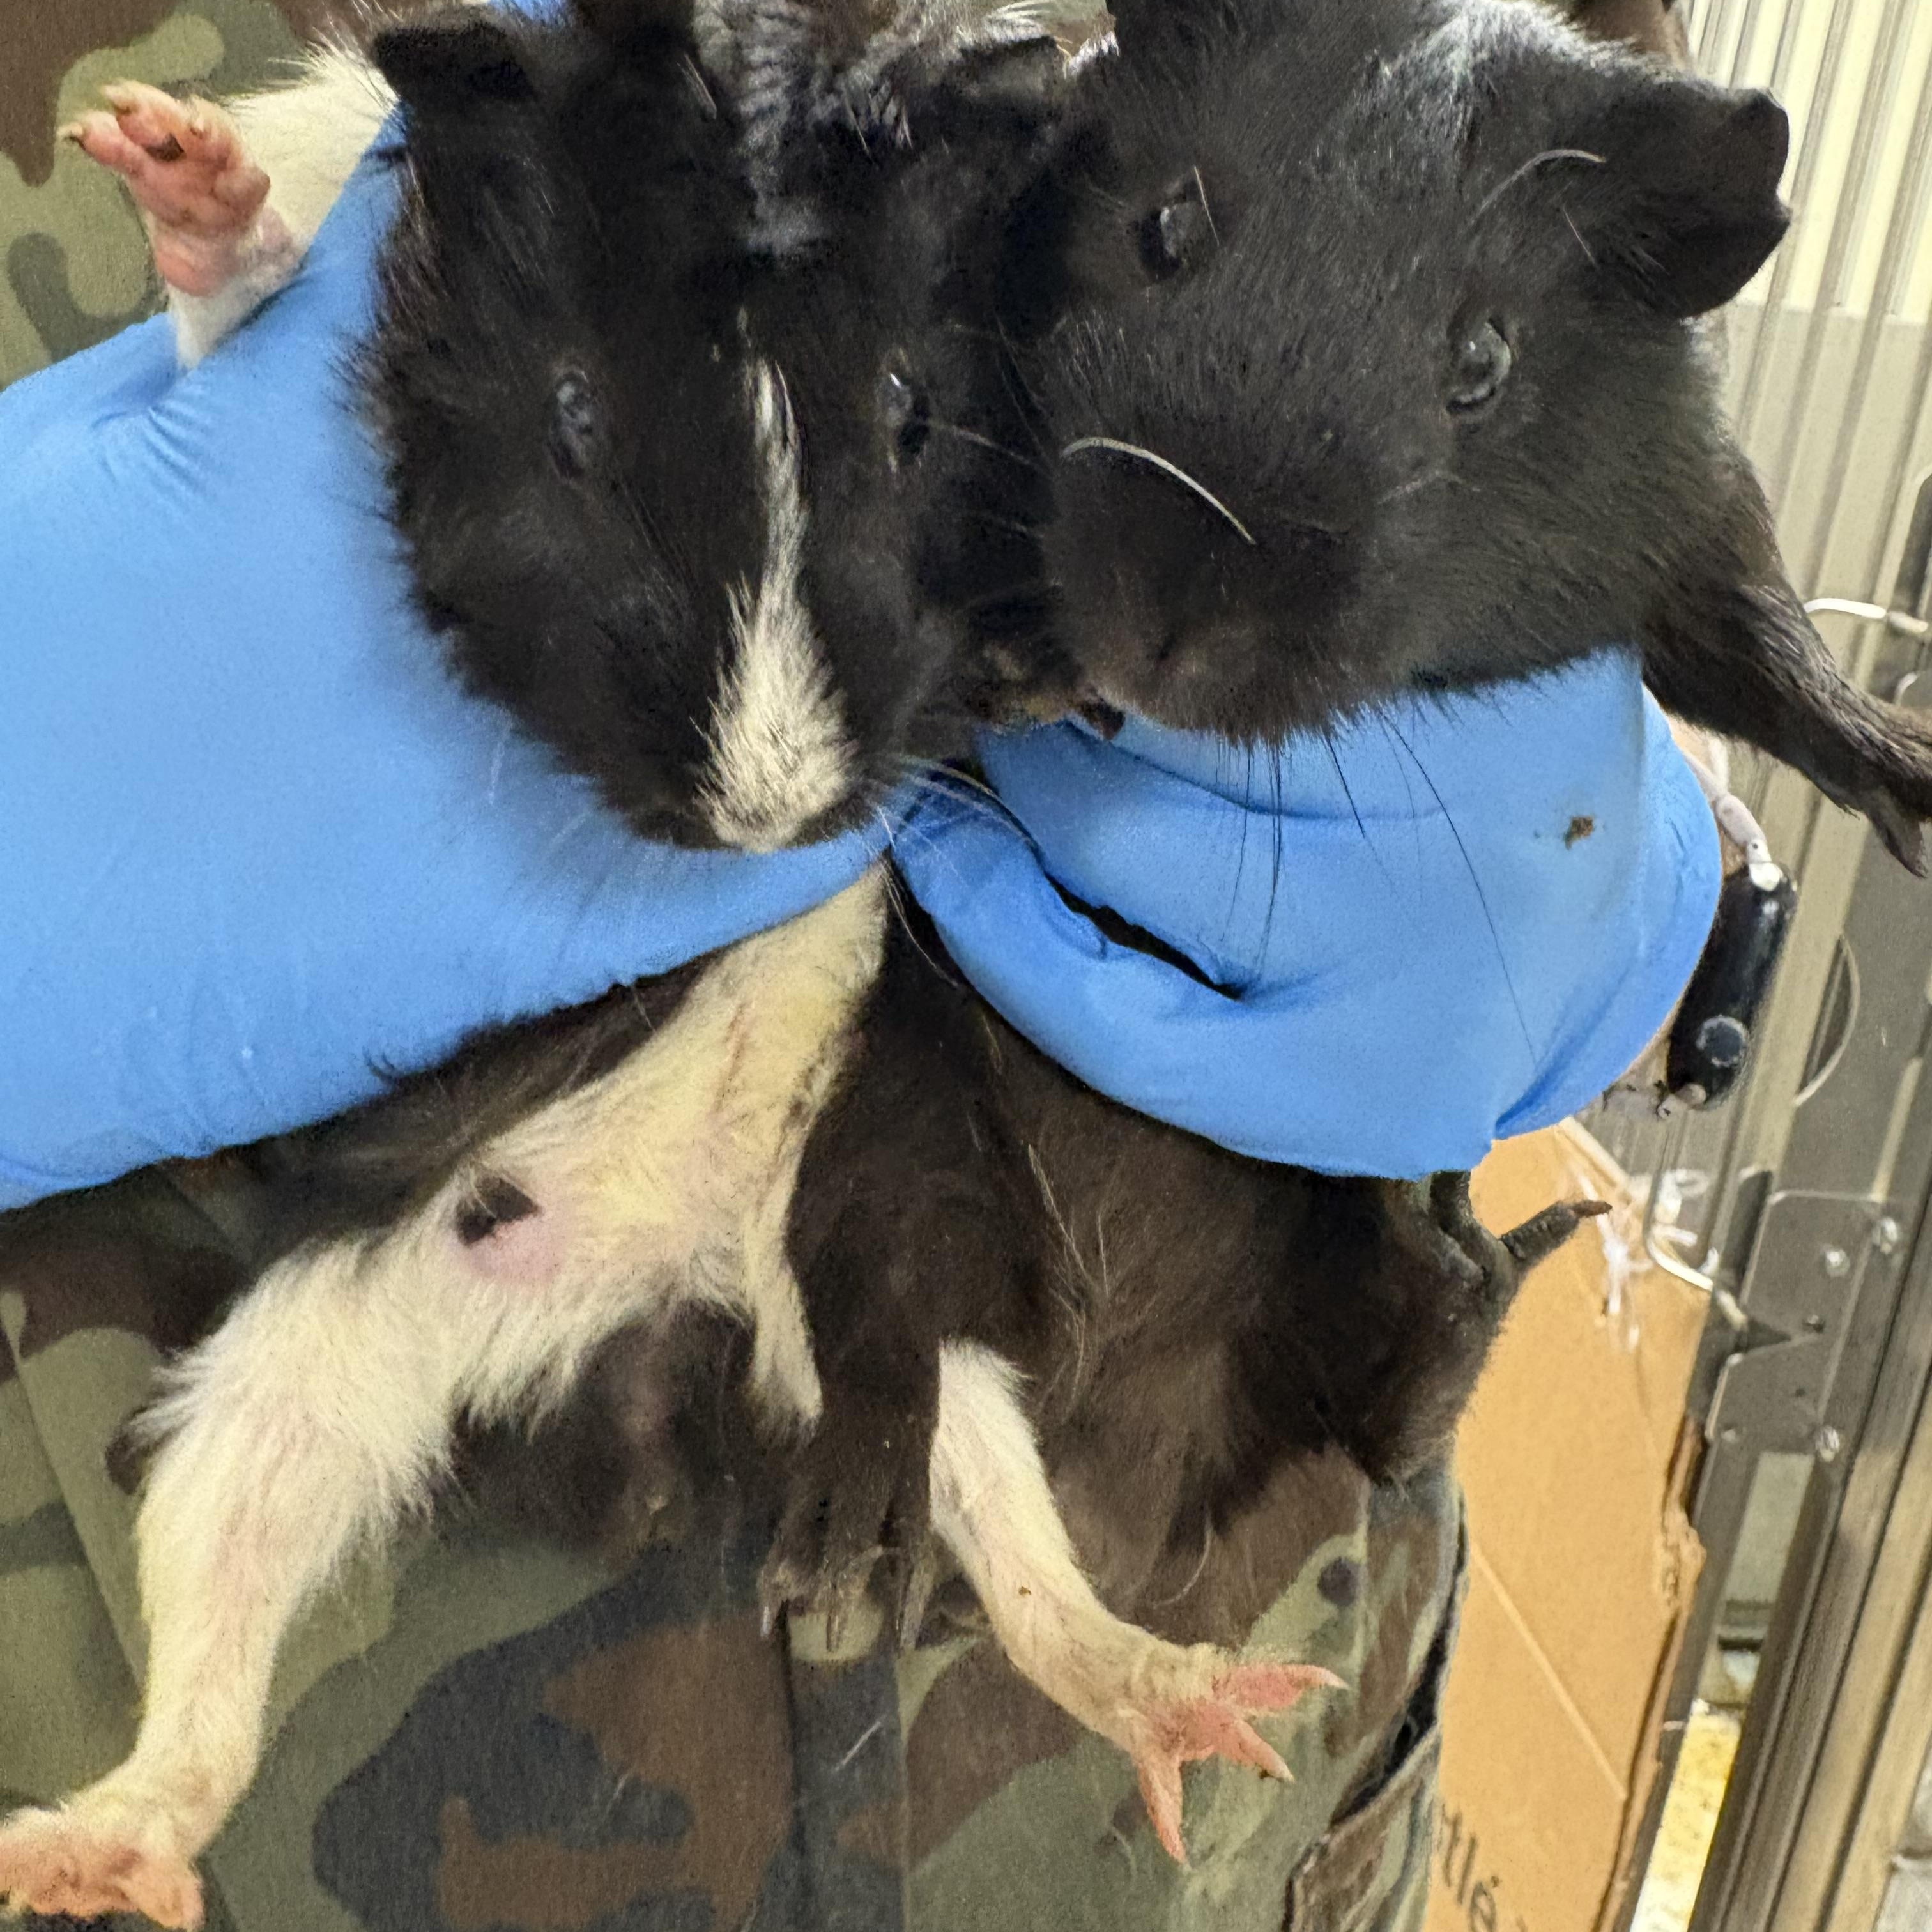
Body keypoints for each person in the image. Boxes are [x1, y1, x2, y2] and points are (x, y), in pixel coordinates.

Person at [0, 3, 1699, 1928]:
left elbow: (1588, 248)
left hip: (1145, 1708)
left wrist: (1623, 895)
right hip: (239, 1602)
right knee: (284, 1405)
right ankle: (166, 1782)